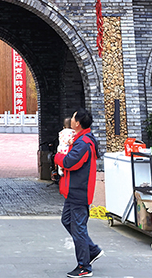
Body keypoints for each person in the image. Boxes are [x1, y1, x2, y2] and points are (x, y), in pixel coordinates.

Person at [54, 108, 103, 278]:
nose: (71, 120)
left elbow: (69, 162)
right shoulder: (81, 139)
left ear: (78, 123)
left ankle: (84, 266)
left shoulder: (83, 143)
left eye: (74, 118)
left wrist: (57, 157)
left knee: (78, 228)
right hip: (73, 189)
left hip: (79, 190)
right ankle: (92, 250)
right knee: (67, 220)